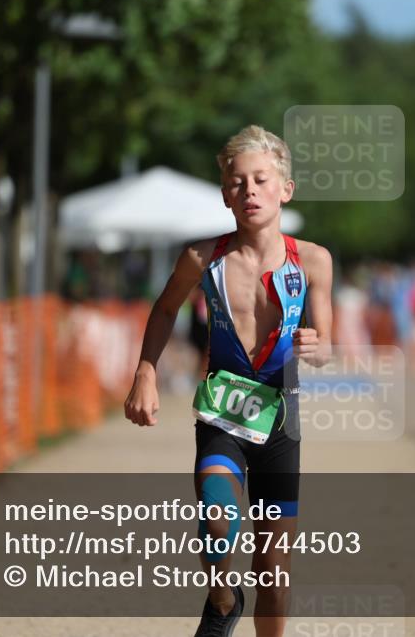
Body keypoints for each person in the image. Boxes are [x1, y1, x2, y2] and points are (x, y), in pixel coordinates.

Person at [124, 125, 333, 637]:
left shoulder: (313, 260)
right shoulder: (202, 258)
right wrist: (145, 372)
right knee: (217, 519)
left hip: (281, 421)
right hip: (223, 412)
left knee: (273, 574)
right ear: (225, 196)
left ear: (285, 189)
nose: (250, 191)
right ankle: (222, 599)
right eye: (237, 183)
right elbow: (165, 308)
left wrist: (318, 346)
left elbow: (327, 344)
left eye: (261, 180)